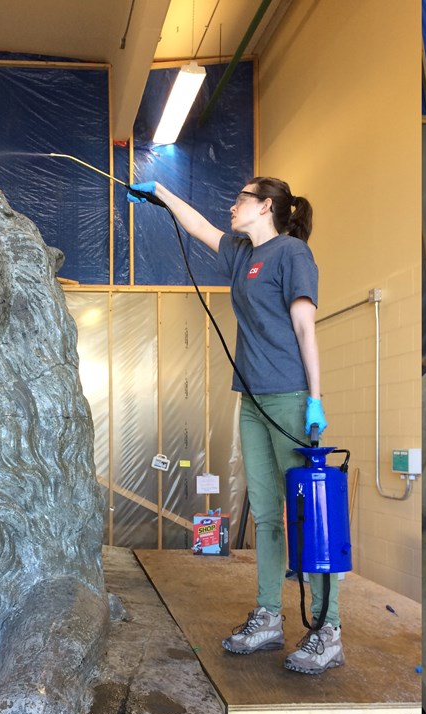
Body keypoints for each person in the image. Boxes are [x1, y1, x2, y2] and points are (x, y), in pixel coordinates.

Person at [129, 176, 343, 675]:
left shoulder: (292, 255)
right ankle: (269, 616)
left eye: (241, 198)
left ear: (265, 206)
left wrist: (316, 398)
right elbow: (200, 226)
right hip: (251, 399)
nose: (232, 205)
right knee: (268, 515)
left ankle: (328, 630)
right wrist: (161, 192)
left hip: (290, 397)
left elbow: (305, 327)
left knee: (308, 518)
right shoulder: (242, 253)